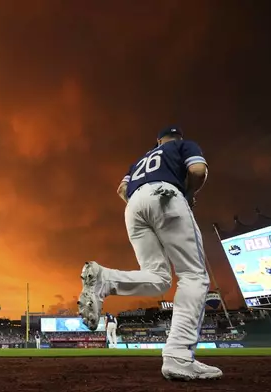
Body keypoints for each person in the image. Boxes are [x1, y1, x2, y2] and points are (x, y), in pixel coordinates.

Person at [77, 127, 222, 380]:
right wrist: (187, 195)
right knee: (194, 276)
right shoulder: (182, 145)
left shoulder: (139, 161)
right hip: (166, 195)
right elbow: (197, 170)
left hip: (133, 205)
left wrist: (143, 207)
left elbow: (122, 190)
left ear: (157, 141)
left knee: (159, 279)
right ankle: (178, 355)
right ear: (178, 137)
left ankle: (105, 279)